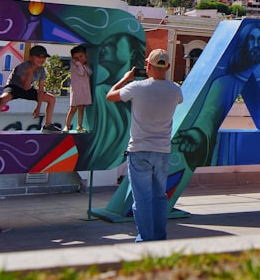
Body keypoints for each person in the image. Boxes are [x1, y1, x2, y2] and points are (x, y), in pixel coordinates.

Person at [107, 49, 182, 242]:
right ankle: (159, 237)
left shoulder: (137, 87)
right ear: (168, 67)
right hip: (163, 151)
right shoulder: (175, 90)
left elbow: (110, 96)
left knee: (142, 200)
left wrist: (125, 78)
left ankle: (146, 238)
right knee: (159, 198)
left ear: (148, 65)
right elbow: (179, 100)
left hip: (139, 150)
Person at [0, 45, 61, 132]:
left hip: (28, 88)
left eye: (43, 57)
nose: (41, 59)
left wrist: (38, 108)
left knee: (51, 99)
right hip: (14, 87)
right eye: (38, 57)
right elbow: (25, 87)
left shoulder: (41, 70)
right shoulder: (23, 67)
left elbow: (41, 90)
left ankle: (48, 124)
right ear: (30, 58)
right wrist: (29, 73)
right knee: (3, 99)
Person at [64, 44, 92, 133]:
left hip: (84, 90)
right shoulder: (74, 65)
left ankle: (79, 126)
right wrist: (79, 64)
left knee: (81, 108)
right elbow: (81, 73)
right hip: (76, 90)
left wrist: (84, 65)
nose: (80, 59)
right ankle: (66, 126)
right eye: (77, 57)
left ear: (85, 55)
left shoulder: (85, 65)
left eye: (81, 56)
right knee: (73, 108)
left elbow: (90, 72)